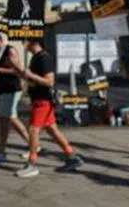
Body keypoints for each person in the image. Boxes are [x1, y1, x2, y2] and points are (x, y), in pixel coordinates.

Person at [14, 37, 84, 178]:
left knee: (33, 130)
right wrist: (19, 70)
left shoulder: (44, 58)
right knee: (52, 129)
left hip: (43, 101)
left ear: (35, 43)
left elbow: (49, 81)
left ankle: (32, 164)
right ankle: (72, 156)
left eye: (26, 41)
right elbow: (31, 78)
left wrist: (31, 75)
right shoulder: (36, 58)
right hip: (38, 99)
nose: (24, 45)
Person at [0, 30, 35, 164]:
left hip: (12, 88)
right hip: (3, 89)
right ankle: (33, 145)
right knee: (9, 118)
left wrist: (2, 70)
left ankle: (3, 151)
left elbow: (19, 70)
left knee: (7, 118)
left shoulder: (10, 50)